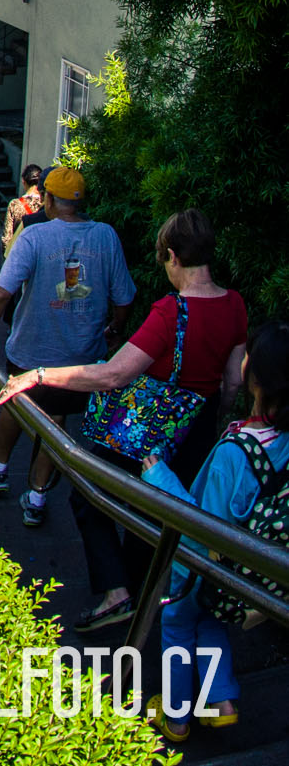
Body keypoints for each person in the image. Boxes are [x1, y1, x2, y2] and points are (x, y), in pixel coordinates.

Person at [0, 210, 247, 634]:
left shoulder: (172, 312)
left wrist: (38, 375)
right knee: (161, 515)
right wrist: (214, 417)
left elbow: (113, 374)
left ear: (172, 256)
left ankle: (118, 594)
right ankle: (143, 600)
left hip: (149, 435)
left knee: (90, 493)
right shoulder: (235, 303)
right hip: (198, 428)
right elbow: (234, 380)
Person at [142, 318, 289, 743]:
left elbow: (203, 528)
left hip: (207, 565)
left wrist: (159, 479)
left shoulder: (236, 453)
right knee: (210, 623)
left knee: (177, 622)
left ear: (253, 378)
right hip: (248, 573)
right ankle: (220, 702)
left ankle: (175, 717)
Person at [0, 168, 136, 526]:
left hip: (31, 348)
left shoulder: (34, 237)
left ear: (47, 199)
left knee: (17, 403)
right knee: (58, 420)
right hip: (80, 356)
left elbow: (1, 294)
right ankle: (36, 496)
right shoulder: (106, 237)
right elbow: (124, 297)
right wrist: (116, 329)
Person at [3, 165, 46, 254]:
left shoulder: (15, 205)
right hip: (40, 253)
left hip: (20, 253)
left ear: (23, 181)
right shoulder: (47, 205)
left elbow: (7, 238)